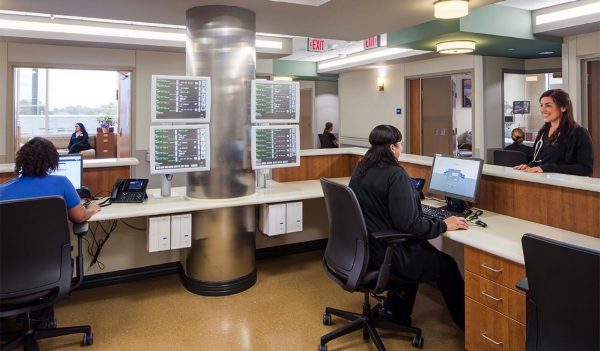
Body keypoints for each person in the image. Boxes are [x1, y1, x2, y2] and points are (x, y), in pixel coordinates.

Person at [349, 124, 468, 330]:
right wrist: (444, 225)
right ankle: (468, 326)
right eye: (400, 143)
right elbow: (410, 224)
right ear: (393, 147)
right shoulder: (396, 175)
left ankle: (398, 312)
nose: (401, 147)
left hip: (367, 248)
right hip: (389, 252)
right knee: (447, 266)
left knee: (422, 250)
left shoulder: (362, 168)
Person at [0, 137, 100, 223]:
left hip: (13, 245)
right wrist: (92, 209)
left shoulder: (2, 190)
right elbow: (80, 217)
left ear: (21, 159)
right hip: (54, 245)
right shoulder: (62, 183)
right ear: (51, 161)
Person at [514, 89, 593, 176]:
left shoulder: (579, 133)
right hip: (542, 184)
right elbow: (538, 161)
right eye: (541, 105)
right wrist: (529, 167)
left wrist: (547, 168)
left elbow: (585, 168)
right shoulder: (543, 132)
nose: (542, 110)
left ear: (563, 107)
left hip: (564, 188)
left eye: (548, 105)